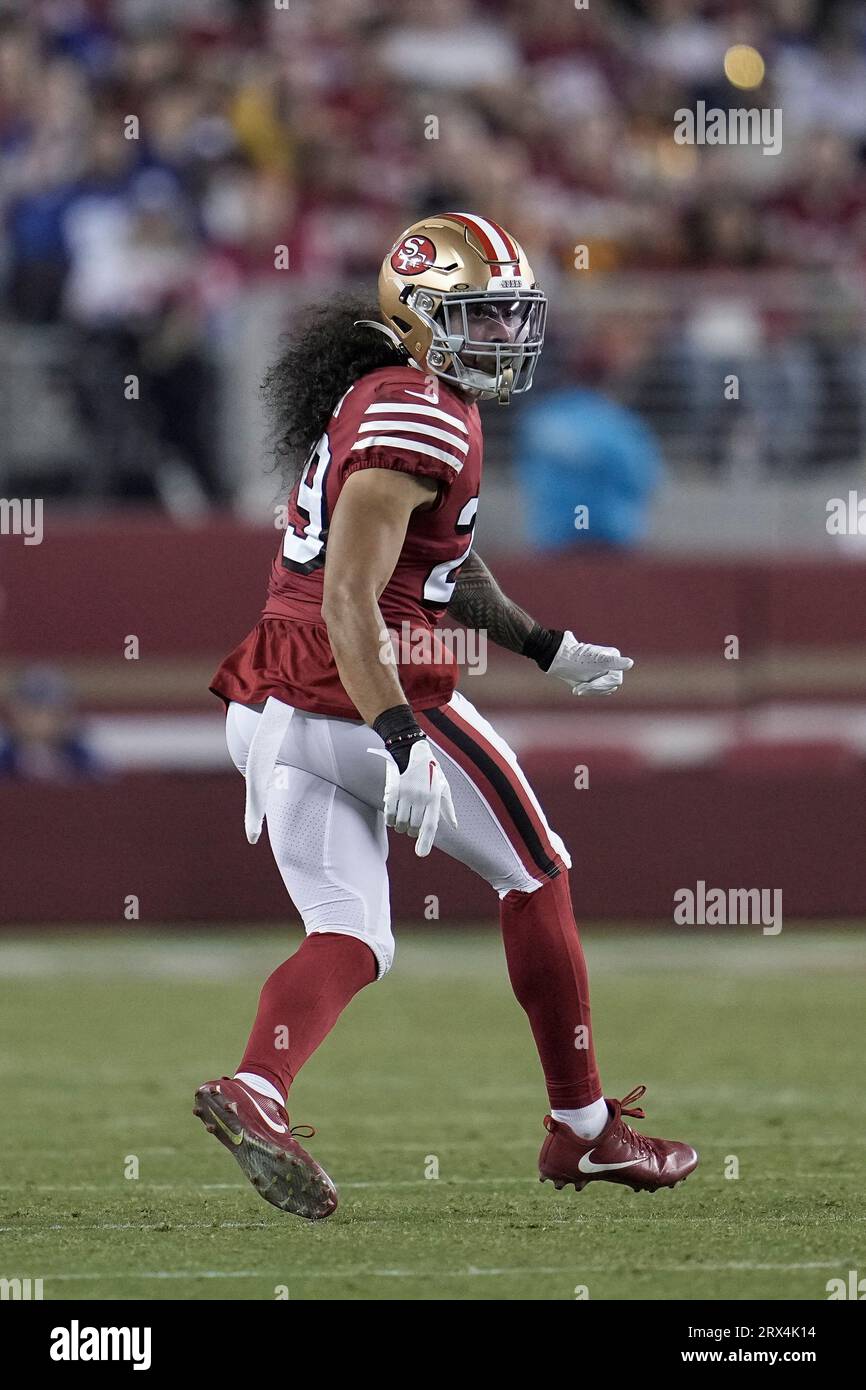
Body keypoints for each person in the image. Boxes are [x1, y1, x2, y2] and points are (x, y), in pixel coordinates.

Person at [195, 213, 698, 1219]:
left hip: (272, 700)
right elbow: (351, 599)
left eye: (512, 314)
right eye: (479, 315)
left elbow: (443, 560)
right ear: (416, 317)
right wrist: (397, 737)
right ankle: (585, 1131)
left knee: (351, 932)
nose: (505, 336)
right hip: (357, 685)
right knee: (536, 869)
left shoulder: (401, 397)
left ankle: (256, 1089)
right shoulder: (416, 412)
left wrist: (542, 644)